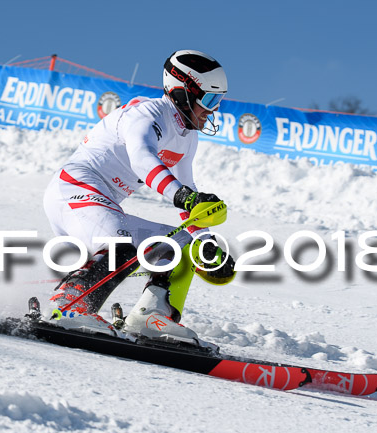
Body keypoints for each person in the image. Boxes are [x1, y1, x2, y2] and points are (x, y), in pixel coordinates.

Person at [41, 50, 236, 345]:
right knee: (123, 243)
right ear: (183, 92)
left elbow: (189, 191)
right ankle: (69, 304)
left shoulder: (187, 135)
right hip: (72, 192)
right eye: (209, 100)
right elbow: (143, 161)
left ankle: (152, 316)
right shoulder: (147, 115)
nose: (214, 110)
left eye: (218, 101)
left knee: (182, 246)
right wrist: (182, 196)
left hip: (101, 203)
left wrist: (206, 243)